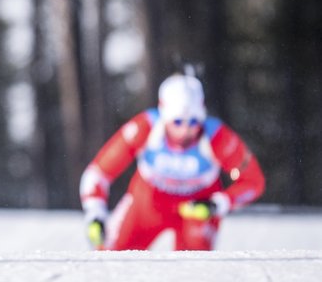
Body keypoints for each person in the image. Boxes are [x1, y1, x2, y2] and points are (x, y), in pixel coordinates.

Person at [79, 70, 265, 251]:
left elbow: (253, 182)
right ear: (165, 116)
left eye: (193, 122)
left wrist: (218, 204)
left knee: (196, 271)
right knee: (111, 255)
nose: (185, 130)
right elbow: (98, 173)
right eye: (177, 122)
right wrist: (95, 213)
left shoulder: (217, 138)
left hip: (196, 211)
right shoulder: (145, 128)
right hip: (147, 204)